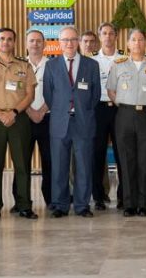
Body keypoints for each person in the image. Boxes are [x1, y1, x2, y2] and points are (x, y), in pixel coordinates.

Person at [0, 28, 37, 220]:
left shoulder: (24, 66)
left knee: (22, 164)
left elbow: (30, 95)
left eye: (10, 39)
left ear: (14, 42)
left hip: (19, 119)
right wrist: (0, 114)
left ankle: (24, 205)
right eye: (2, 39)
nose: (6, 42)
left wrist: (14, 112)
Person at [42, 26, 101, 218]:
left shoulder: (91, 65)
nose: (69, 43)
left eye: (73, 39)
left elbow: (95, 95)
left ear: (78, 42)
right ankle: (60, 205)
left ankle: (82, 205)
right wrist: (62, 111)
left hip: (83, 122)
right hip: (59, 123)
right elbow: (48, 95)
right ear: (59, 43)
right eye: (65, 40)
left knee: (84, 166)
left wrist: (81, 110)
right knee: (59, 166)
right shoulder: (51, 66)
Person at [109, 29, 146, 217]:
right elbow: (111, 90)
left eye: (141, 39)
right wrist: (125, 104)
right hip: (124, 114)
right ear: (128, 44)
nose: (137, 43)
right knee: (126, 160)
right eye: (134, 40)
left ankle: (144, 203)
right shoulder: (118, 65)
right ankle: (129, 203)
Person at [91, 22, 124, 210]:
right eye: (104, 33)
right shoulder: (92, 60)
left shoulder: (124, 59)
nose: (108, 37)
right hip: (99, 109)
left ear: (116, 36)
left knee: (122, 153)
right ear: (100, 37)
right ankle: (99, 196)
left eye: (112, 33)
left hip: (120, 109)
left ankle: (123, 196)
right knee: (97, 153)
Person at [24, 29, 52, 208]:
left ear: (44, 44)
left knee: (50, 161)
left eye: (38, 41)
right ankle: (22, 201)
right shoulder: (18, 65)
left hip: (48, 118)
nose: (35, 44)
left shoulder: (53, 65)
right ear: (26, 44)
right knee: (22, 161)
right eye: (32, 41)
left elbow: (58, 92)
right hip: (24, 118)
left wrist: (41, 111)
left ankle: (51, 199)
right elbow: (14, 94)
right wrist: (29, 111)